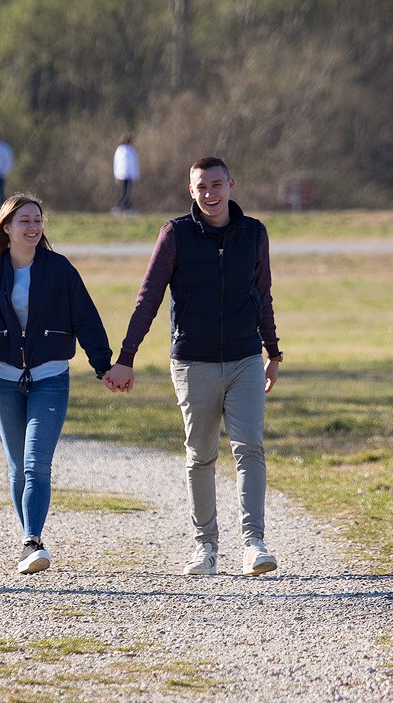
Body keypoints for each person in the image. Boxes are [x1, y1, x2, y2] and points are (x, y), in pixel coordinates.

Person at [103, 157, 284, 577]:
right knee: (201, 456)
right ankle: (205, 548)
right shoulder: (175, 235)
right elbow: (147, 299)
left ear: (231, 184)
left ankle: (254, 543)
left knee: (249, 448)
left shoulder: (253, 233)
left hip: (244, 360)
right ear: (191, 191)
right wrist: (126, 358)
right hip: (192, 363)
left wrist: (273, 354)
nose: (210, 194)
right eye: (201, 187)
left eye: (217, 185)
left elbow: (264, 296)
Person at [0, 193, 115, 575]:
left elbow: (86, 318)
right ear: (7, 228)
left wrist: (103, 366)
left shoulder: (59, 269)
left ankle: (32, 541)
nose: (33, 227)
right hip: (4, 381)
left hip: (50, 378)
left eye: (38, 220)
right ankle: (29, 538)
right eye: (24, 221)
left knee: (36, 465)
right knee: (17, 468)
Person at [112, 134, 140, 215]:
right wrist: (116, 175)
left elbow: (134, 164)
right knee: (126, 193)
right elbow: (117, 163)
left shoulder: (128, 150)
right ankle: (119, 207)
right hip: (124, 174)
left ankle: (126, 208)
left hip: (128, 174)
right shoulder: (123, 150)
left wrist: (135, 175)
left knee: (128, 193)